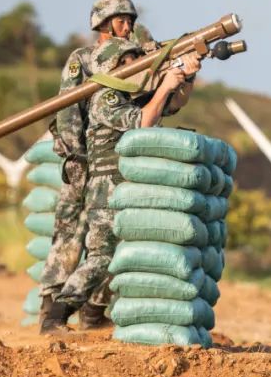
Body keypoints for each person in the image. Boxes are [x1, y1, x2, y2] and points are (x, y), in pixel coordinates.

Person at [55, 36, 200, 316]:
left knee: (126, 256)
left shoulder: (127, 97)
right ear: (111, 66)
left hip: (123, 185)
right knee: (101, 257)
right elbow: (142, 122)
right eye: (126, 60)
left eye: (135, 58)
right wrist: (166, 85)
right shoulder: (105, 97)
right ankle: (57, 314)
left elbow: (167, 107)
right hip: (105, 187)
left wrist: (185, 79)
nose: (135, 64)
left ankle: (93, 314)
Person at [39, 0, 157, 334]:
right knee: (70, 231)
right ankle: (51, 304)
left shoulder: (130, 58)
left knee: (107, 241)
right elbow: (67, 108)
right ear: (103, 23)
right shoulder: (83, 59)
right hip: (83, 156)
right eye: (122, 19)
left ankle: (93, 310)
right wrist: (75, 155)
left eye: (131, 20)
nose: (128, 26)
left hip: (111, 157)